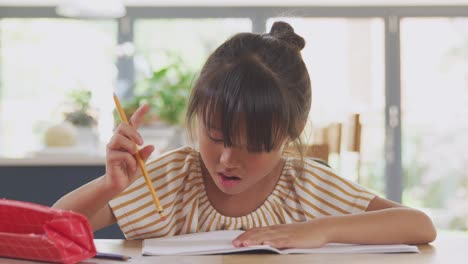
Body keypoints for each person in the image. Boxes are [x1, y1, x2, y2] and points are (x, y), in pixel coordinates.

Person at [53, 21, 436, 249]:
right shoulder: (169, 179)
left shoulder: (305, 184)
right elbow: (52, 226)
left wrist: (319, 230)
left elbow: (419, 225)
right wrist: (108, 185)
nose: (227, 159)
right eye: (216, 135)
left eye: (254, 145)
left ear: (292, 132)